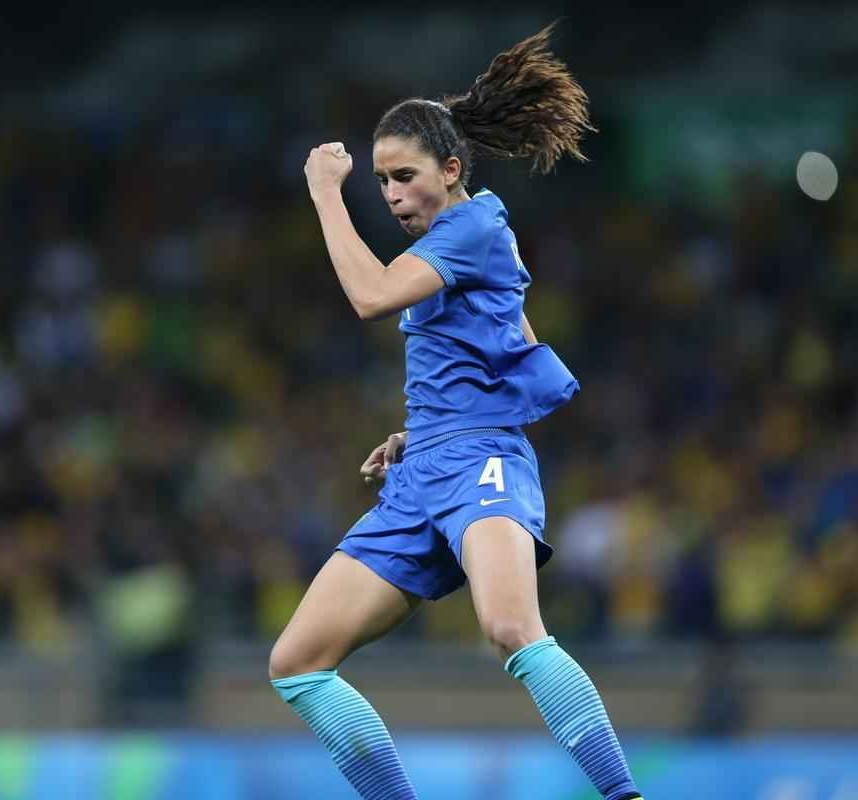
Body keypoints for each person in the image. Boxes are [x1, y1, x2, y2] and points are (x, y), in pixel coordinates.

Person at [268, 22, 643, 800]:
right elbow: (503, 348)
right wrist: (422, 431)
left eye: (403, 176)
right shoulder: (461, 243)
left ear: (451, 166)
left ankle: (623, 794)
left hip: (479, 462)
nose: (393, 195)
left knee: (510, 629)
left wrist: (325, 193)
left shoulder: (472, 227)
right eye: (379, 182)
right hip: (425, 472)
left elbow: (369, 297)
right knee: (296, 664)